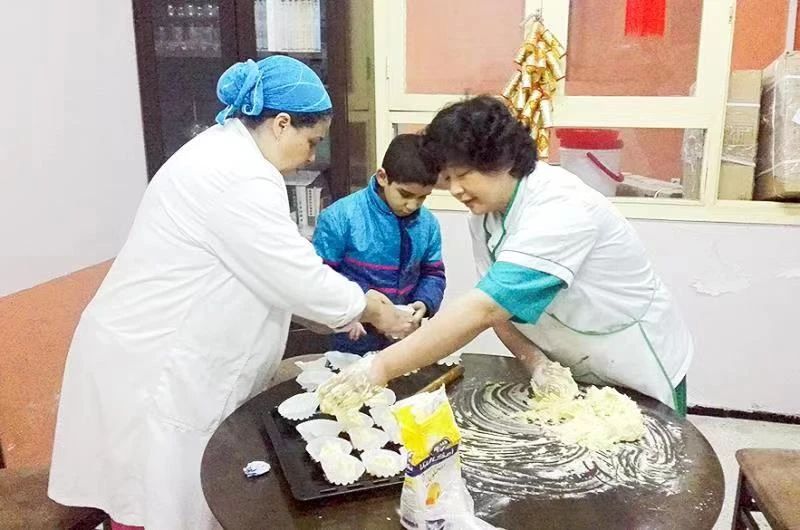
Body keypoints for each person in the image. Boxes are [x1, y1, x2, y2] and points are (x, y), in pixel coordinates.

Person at [47, 56, 413, 530]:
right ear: (281, 124)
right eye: (311, 141)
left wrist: (340, 308)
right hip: (155, 362)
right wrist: (370, 308)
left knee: (157, 494)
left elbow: (274, 258)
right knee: (154, 497)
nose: (310, 157)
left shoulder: (226, 155)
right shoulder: (237, 174)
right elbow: (291, 274)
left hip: (154, 353)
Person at [319, 95, 693, 416]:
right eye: (449, 178)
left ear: (504, 160)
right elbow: (499, 313)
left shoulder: (561, 209)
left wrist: (379, 368)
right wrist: (537, 362)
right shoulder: (484, 218)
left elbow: (484, 309)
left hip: (630, 358)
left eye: (464, 174)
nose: (456, 190)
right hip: (571, 357)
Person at [312, 133, 446, 354]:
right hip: (353, 336)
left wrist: (424, 302)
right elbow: (321, 278)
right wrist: (359, 308)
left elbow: (433, 274)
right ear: (383, 177)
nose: (412, 205)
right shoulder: (340, 217)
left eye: (422, 197)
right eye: (405, 194)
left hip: (404, 337)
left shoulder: (428, 224)